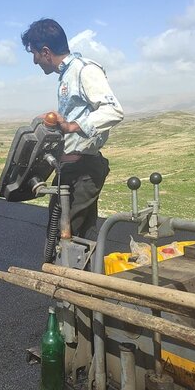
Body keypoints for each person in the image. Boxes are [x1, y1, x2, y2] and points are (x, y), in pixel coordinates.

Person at [21, 18, 124, 250]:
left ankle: (70, 281)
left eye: (35, 53)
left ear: (46, 52)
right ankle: (87, 281)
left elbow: (113, 110)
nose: (34, 60)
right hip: (70, 168)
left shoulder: (84, 70)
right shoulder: (66, 75)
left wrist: (71, 126)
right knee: (81, 237)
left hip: (84, 169)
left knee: (66, 240)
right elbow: (76, 115)